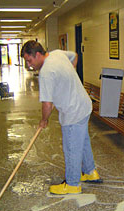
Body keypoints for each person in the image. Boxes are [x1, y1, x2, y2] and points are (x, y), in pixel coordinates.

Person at [21, 40, 101, 195]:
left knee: (71, 148)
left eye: (29, 60)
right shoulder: (57, 54)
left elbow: (47, 105)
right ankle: (90, 172)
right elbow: (74, 56)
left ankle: (72, 184)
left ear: (37, 55)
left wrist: (44, 120)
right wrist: (69, 76)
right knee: (83, 141)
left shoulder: (45, 73)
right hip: (84, 105)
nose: (29, 65)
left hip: (73, 111)